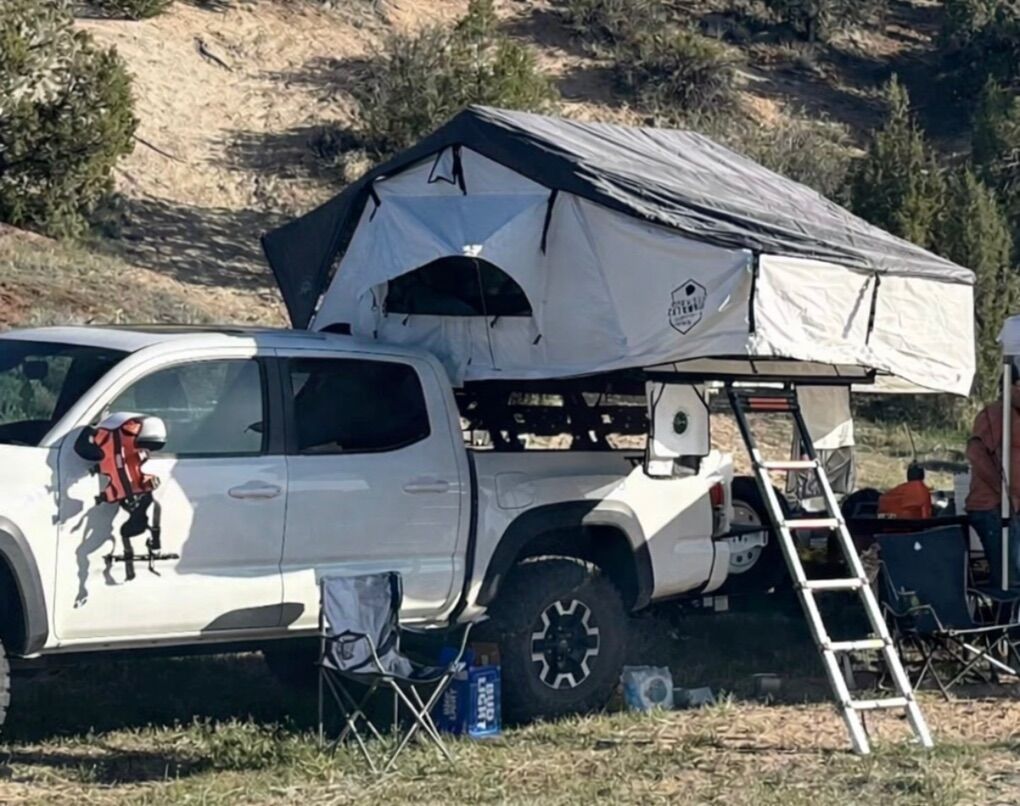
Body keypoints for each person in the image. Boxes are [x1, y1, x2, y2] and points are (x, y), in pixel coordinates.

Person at [966, 368, 1020, 588]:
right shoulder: (996, 413)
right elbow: (976, 453)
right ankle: (1006, 610)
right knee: (1010, 578)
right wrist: (1003, 492)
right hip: (993, 509)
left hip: (1011, 509)